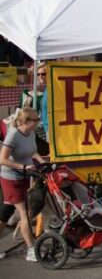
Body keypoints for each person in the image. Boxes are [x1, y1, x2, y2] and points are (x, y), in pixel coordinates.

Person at [0, 107, 45, 262]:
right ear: (25, 122)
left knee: (6, 212)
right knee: (25, 213)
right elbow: (3, 159)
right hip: (11, 178)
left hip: (24, 176)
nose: (38, 122)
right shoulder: (13, 135)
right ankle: (31, 250)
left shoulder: (30, 133)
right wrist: (23, 167)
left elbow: (32, 151)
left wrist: (41, 161)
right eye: (35, 120)